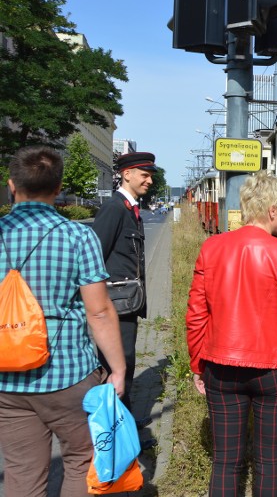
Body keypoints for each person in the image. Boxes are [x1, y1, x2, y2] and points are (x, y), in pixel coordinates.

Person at [0, 146, 126, 497]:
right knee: (82, 459)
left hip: (6, 378)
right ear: (58, 189)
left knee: (21, 473)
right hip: (67, 373)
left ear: (12, 186)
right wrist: (117, 370)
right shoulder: (78, 236)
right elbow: (98, 311)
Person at [186, 172, 277, 496]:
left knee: (225, 461)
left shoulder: (212, 248)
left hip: (220, 366)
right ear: (273, 210)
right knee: (270, 461)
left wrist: (196, 365)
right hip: (274, 370)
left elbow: (196, 316)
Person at [92, 151, 157, 440]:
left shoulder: (129, 208)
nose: (149, 180)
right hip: (114, 305)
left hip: (126, 303)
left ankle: (124, 421)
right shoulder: (114, 209)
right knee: (117, 365)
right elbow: (94, 258)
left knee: (126, 363)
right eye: (145, 175)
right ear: (127, 174)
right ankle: (116, 433)